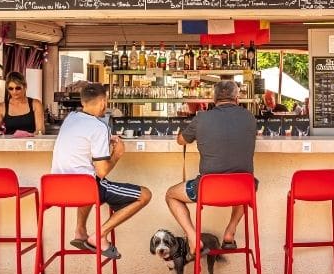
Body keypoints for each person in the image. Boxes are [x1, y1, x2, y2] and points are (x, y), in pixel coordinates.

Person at [51, 82, 152, 259]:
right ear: (104, 102)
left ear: (82, 102)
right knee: (145, 195)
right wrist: (117, 154)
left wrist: (104, 140)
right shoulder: (99, 127)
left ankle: (80, 231)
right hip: (84, 188)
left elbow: (82, 143)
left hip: (58, 189)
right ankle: (98, 235)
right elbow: (102, 171)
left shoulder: (71, 118)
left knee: (87, 176)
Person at [165, 80, 257, 254]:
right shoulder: (249, 118)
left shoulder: (202, 118)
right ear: (237, 98)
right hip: (244, 188)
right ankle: (230, 232)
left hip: (207, 190)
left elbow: (181, 140)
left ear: (213, 99)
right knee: (242, 180)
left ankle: (193, 238)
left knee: (171, 195)